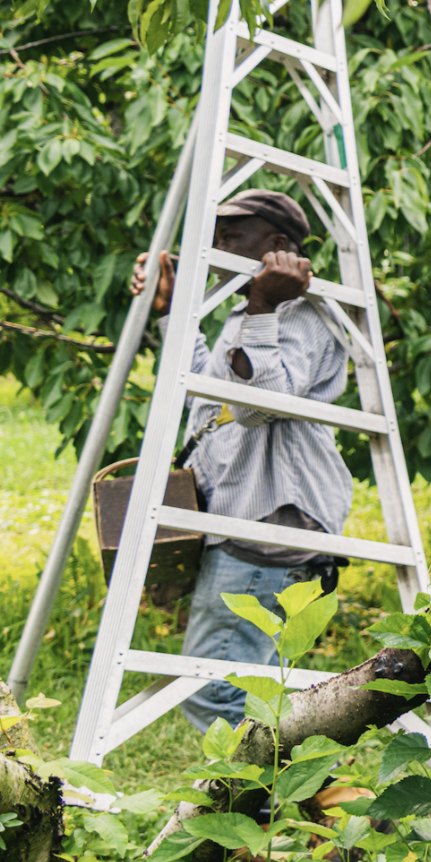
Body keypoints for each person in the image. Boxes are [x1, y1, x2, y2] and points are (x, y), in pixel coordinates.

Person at [129, 188, 352, 731]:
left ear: (276, 245)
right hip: (239, 518)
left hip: (268, 522)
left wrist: (262, 306)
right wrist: (170, 309)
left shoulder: (303, 314)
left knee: (211, 690)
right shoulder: (247, 311)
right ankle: (302, 802)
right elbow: (207, 395)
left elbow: (256, 410)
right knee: (246, 684)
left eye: (233, 238)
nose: (220, 248)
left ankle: (313, 794)